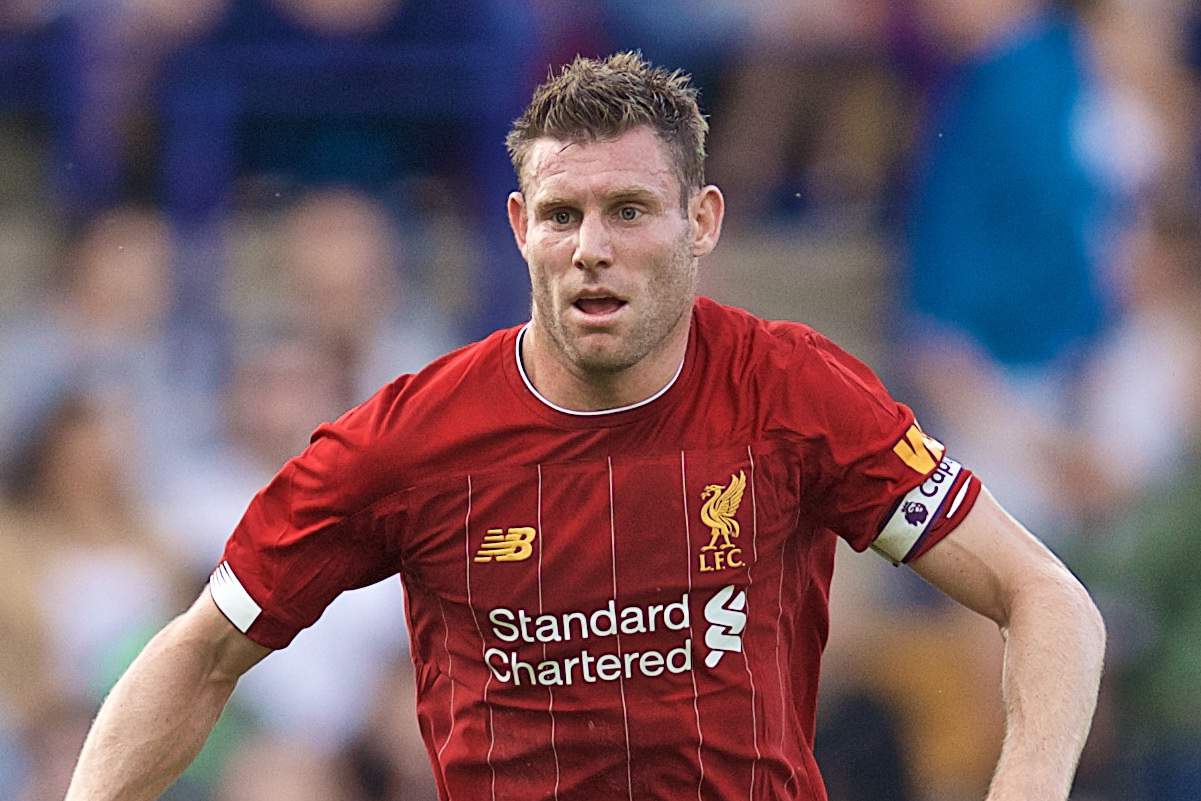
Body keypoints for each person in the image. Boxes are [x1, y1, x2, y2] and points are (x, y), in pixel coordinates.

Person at [63, 52, 1105, 801]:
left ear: (700, 222)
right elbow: (201, 654)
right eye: (561, 215)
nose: (590, 248)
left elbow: (1046, 599)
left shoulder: (793, 394)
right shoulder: (407, 442)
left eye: (629, 211)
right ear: (519, 229)